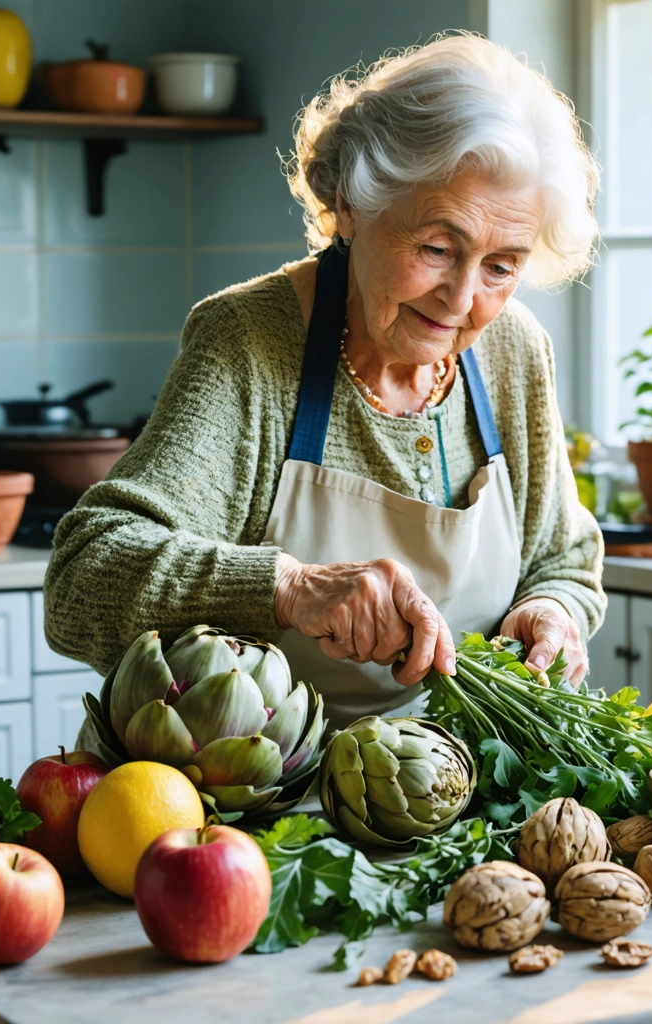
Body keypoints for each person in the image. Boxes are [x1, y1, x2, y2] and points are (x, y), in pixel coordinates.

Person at [44, 33, 605, 726]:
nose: (462, 300)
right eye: (436, 248)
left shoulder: (513, 350)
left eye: (501, 266)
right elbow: (83, 580)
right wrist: (292, 587)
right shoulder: (249, 344)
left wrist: (551, 610)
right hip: (259, 812)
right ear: (351, 204)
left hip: (458, 801)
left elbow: (563, 557)